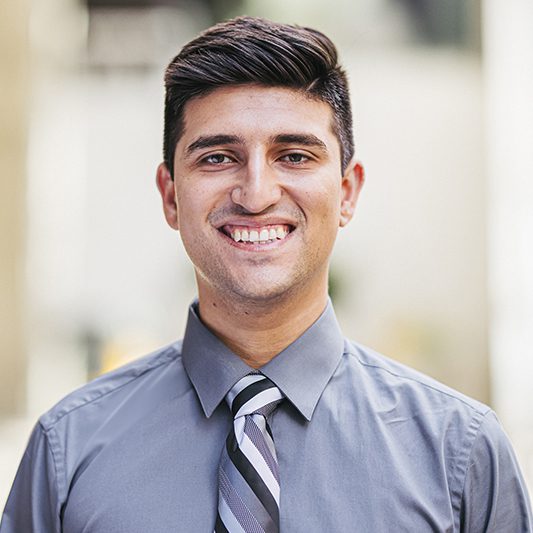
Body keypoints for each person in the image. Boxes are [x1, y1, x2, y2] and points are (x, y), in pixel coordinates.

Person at [1, 16, 531, 533]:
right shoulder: (67, 450)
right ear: (170, 196)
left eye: (295, 155)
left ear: (347, 192)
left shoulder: (459, 453)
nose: (256, 194)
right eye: (217, 158)